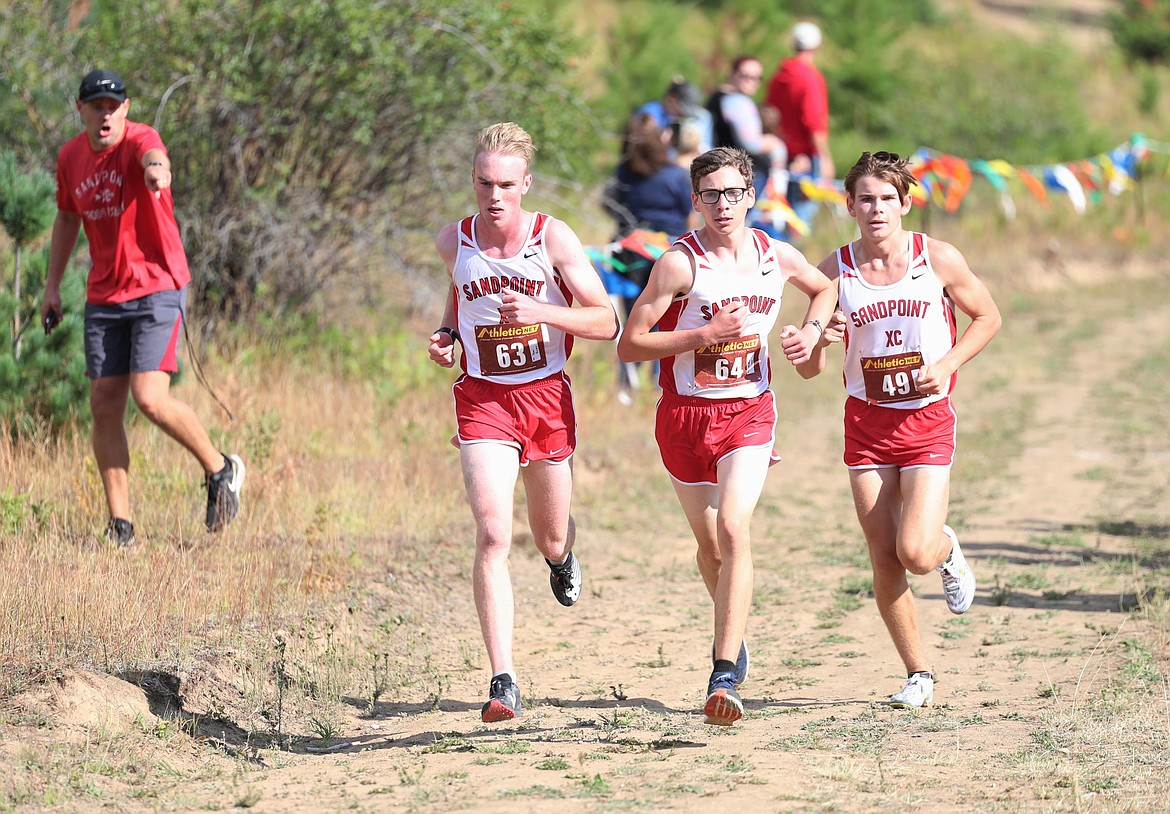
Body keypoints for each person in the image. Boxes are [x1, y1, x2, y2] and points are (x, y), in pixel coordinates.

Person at [617, 147, 836, 725]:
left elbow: (825, 289)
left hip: (749, 414)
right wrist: (703, 336)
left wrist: (810, 334)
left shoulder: (776, 255)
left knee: (736, 528)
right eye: (710, 194)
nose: (723, 205)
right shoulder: (678, 265)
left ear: (752, 195)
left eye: (734, 192)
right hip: (685, 418)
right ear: (695, 201)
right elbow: (630, 344)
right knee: (711, 546)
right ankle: (733, 634)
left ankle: (722, 674)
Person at [428, 122, 619, 723]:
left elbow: (607, 321)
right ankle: (502, 677)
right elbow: (459, 297)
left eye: (506, 185)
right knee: (491, 533)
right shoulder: (454, 240)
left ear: (526, 185)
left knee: (549, 535)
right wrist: (445, 334)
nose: (494, 196)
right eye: (484, 183)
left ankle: (562, 558)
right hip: (484, 399)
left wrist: (541, 310)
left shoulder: (553, 238)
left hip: (545, 398)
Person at [816, 151, 1002, 709]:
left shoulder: (937, 258)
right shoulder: (834, 269)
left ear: (906, 203)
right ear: (849, 204)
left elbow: (988, 317)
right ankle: (917, 672)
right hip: (866, 421)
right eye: (865, 199)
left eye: (887, 199)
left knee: (914, 550)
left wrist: (945, 366)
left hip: (925, 418)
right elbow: (808, 360)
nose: (876, 209)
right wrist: (815, 342)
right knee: (882, 555)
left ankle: (945, 551)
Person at [42, 69, 245, 547]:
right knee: (104, 404)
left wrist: (158, 171)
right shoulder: (71, 157)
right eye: (96, 106)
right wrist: (52, 285)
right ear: (82, 111)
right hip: (104, 294)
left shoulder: (140, 140)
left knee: (149, 398)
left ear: (126, 109)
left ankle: (220, 469)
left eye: (113, 106)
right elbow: (68, 216)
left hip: (156, 284)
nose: (105, 114)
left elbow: (154, 155)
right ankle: (121, 527)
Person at [604, 113, 698, 402]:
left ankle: (627, 379)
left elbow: (609, 205)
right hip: (668, 252)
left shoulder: (621, 174)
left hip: (630, 251)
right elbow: (690, 213)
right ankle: (662, 377)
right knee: (669, 315)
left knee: (633, 314)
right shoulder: (675, 174)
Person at [765, 21, 835, 237]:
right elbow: (814, 124)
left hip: (782, 156)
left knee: (780, 213)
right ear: (817, 45)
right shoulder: (810, 78)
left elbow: (769, 115)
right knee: (799, 222)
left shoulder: (779, 77)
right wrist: (825, 158)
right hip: (805, 158)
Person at [706, 57, 781, 209]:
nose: (751, 81)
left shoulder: (716, 98)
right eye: (745, 76)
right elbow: (751, 143)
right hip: (744, 171)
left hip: (720, 168)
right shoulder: (738, 102)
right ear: (732, 74)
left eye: (756, 78)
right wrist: (774, 144)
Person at [635, 77, 713, 156]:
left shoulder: (668, 119)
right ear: (672, 98)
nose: (682, 115)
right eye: (681, 110)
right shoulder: (650, 115)